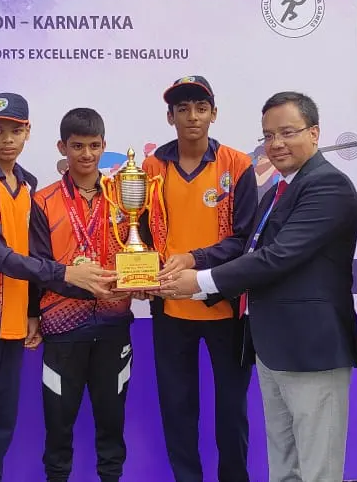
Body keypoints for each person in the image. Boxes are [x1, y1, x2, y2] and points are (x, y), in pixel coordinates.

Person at [158, 91, 357, 481]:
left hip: (310, 350)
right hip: (272, 348)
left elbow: (277, 258)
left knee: (317, 468)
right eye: (269, 135)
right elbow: (250, 252)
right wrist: (193, 273)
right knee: (283, 463)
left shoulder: (327, 186)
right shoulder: (277, 191)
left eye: (288, 132)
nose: (276, 143)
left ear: (314, 133)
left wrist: (198, 281)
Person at [0, 93, 119, 482]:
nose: (7, 139)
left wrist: (31, 313)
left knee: (1, 429)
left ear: (27, 133)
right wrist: (65, 274)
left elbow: (28, 254)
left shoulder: (27, 184)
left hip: (13, 325)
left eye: (15, 131)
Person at [140, 75, 257, 482]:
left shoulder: (237, 165)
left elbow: (245, 239)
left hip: (225, 306)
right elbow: (139, 233)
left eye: (201, 108)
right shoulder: (151, 168)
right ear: (170, 116)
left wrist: (195, 260)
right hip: (170, 308)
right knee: (177, 407)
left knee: (231, 411)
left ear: (214, 114)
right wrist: (142, 273)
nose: (192, 116)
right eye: (183, 109)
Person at [29, 108, 138, 482]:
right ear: (62, 147)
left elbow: (140, 249)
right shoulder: (43, 201)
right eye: (77, 146)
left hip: (114, 329)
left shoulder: (125, 198)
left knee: (112, 424)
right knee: (58, 428)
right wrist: (37, 311)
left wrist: (142, 279)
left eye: (94, 145)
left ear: (104, 146)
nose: (86, 154)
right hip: (62, 331)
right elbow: (36, 266)